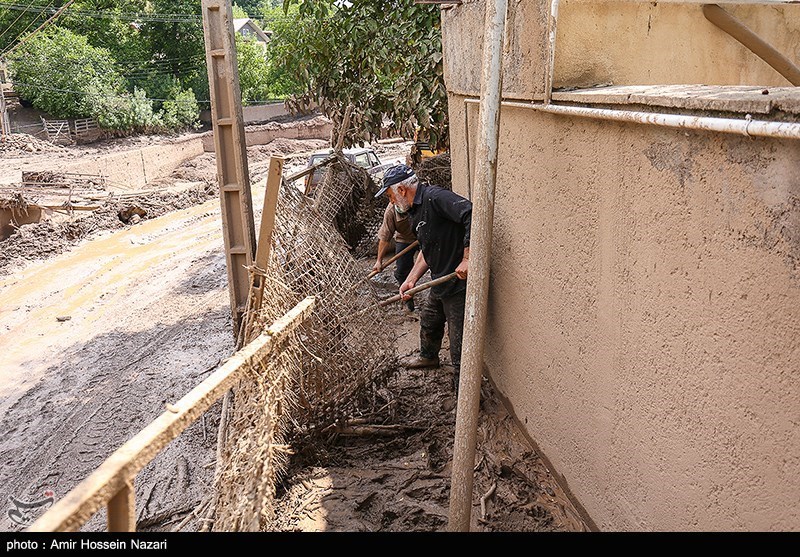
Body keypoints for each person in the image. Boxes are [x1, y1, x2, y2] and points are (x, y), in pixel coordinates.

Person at [375, 164, 471, 391]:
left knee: (458, 346)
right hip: (440, 279)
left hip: (458, 282)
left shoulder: (436, 198)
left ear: (401, 189)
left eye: (390, 195)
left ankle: (464, 396)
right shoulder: (414, 211)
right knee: (429, 320)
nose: (390, 202)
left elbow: (470, 212)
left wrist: (468, 257)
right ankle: (429, 357)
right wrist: (411, 280)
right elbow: (427, 251)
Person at [373, 200, 419, 313]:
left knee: (435, 263)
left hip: (424, 235)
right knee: (402, 270)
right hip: (405, 238)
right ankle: (408, 300)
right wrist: (379, 260)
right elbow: (385, 237)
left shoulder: (418, 201)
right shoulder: (391, 212)